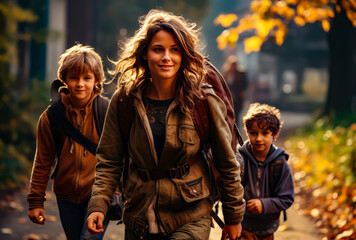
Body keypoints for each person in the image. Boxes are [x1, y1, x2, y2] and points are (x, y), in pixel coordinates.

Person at [86, 9, 245, 240]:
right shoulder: (124, 101)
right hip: (139, 214)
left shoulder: (203, 101)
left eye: (174, 50)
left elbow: (227, 161)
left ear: (184, 55)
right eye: (158, 49)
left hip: (191, 213)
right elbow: (109, 162)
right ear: (144, 54)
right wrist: (98, 205)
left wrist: (234, 217)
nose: (166, 57)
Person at [27, 44, 109, 240]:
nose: (80, 84)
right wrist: (36, 201)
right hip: (66, 197)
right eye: (74, 77)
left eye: (87, 78)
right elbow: (43, 161)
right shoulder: (51, 118)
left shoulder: (107, 112)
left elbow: (122, 154)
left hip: (99, 196)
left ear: (96, 80)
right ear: (64, 79)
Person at [238, 103, 294, 239]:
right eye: (253, 133)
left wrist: (264, 204)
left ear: (275, 134)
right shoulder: (239, 160)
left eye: (265, 133)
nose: (258, 138)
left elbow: (287, 198)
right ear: (247, 132)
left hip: (267, 229)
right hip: (241, 226)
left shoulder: (280, 164)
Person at [221, 55, 248, 124]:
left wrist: (242, 92)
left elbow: (245, 83)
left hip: (238, 97)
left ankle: (236, 128)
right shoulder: (226, 73)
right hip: (228, 96)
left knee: (237, 113)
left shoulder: (241, 73)